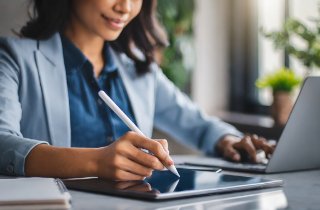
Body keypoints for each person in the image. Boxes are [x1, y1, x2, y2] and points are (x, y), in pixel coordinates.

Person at [0, 0, 274, 180]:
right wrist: (97, 161)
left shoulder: (138, 70)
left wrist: (228, 140)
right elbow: (3, 144)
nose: (126, 7)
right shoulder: (13, 56)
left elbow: (197, 124)